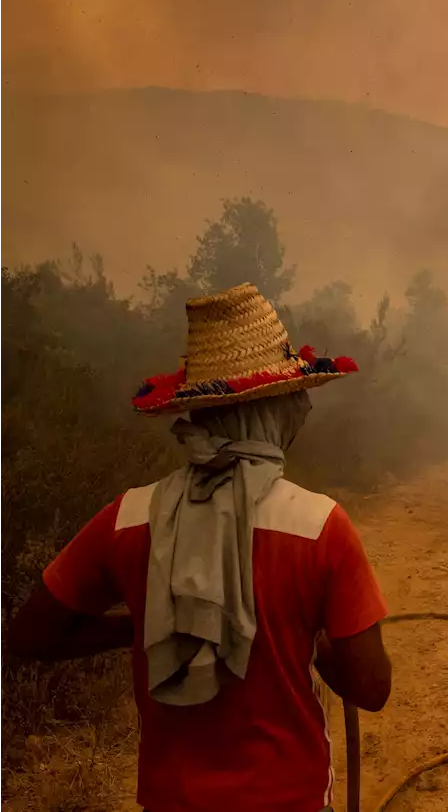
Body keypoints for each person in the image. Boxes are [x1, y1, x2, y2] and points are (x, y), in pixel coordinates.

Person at [6, 282, 392, 812]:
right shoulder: (320, 526)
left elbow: (31, 634)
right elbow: (371, 688)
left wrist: (152, 624)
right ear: (273, 411)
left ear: (202, 413)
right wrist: (313, 640)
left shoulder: (126, 518)